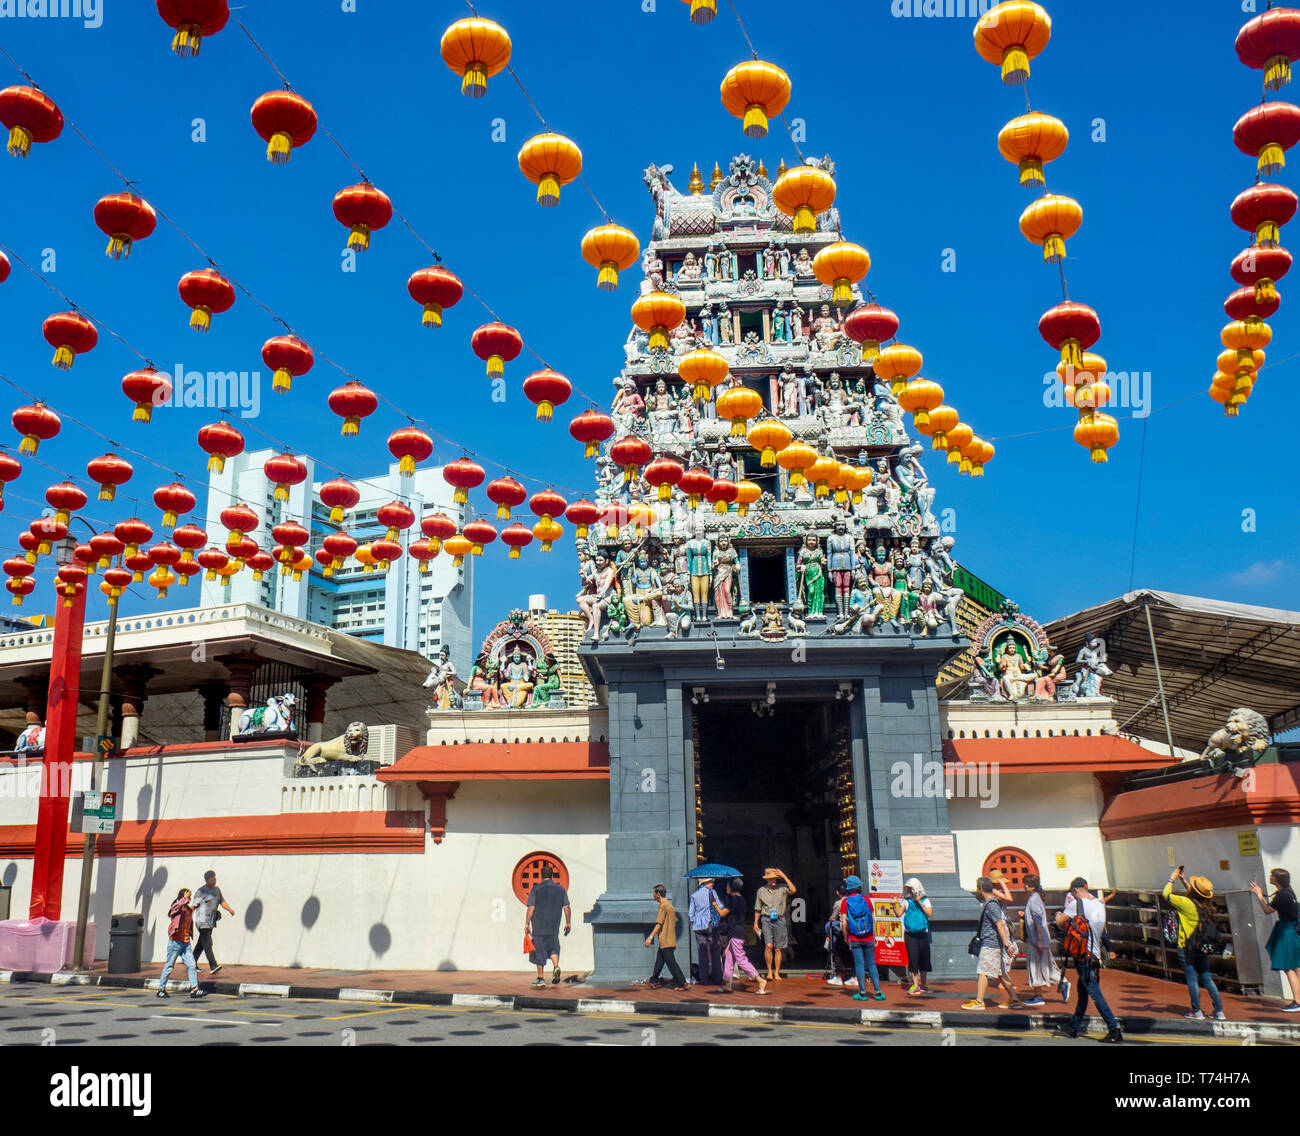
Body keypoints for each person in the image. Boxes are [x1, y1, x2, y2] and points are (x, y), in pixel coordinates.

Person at [1054, 877, 1123, 1042]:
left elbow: (1058, 922)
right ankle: (1074, 1026)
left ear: (1076, 891)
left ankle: (1114, 1029)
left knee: (1094, 993)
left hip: (1083, 955)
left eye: (1072, 892)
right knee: (1082, 989)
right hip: (1095, 955)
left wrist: (1059, 914)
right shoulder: (1099, 905)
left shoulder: (1077, 905)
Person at [1163, 868, 1226, 1020]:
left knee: (1192, 978)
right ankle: (1219, 1011)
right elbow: (1195, 896)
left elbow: (1166, 894)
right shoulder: (1209, 905)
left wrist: (1172, 879)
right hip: (1202, 946)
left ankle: (1197, 1011)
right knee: (1207, 978)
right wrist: (1184, 881)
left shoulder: (1186, 903)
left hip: (1187, 945)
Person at [962, 876, 1021, 1010]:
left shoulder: (991, 905)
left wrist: (1007, 945)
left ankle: (979, 1001)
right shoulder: (992, 903)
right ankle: (1015, 999)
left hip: (991, 944)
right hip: (995, 944)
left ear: (980, 889)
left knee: (982, 971)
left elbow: (999, 925)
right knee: (1001, 973)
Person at [1250, 868, 1300, 1010]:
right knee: (1296, 966)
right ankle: (1298, 999)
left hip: (1286, 931)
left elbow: (1267, 910)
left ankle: (1297, 1001)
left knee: (1288, 966)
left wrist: (1259, 895)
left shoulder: (1282, 895)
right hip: (1293, 931)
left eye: (1272, 876)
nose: (1270, 877)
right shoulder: (1289, 892)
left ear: (1276, 880)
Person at [715, 878, 767, 995]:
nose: (726, 888)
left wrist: (714, 903)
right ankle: (727, 984)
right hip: (736, 932)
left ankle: (760, 980)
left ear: (732, 887)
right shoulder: (741, 899)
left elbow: (722, 913)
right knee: (728, 957)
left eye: (728, 886)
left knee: (741, 959)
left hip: (736, 932)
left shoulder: (733, 900)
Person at [839, 875, 885, 1001]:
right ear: (859, 887)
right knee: (871, 964)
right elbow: (873, 919)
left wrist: (845, 936)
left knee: (859, 965)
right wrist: (874, 936)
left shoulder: (845, 902)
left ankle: (863, 992)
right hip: (869, 936)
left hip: (854, 938)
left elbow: (843, 923)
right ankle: (878, 992)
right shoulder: (866, 900)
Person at [1022, 873, 1065, 1006]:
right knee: (1045, 965)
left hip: (1036, 940)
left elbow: (1038, 921)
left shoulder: (1034, 899)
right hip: (1038, 939)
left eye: (1026, 883)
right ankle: (1061, 983)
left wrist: (1039, 940)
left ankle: (1038, 995)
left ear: (1031, 886)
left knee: (1036, 967)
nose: (1023, 886)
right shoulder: (1036, 898)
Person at [525, 865, 571, 988]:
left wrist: (527, 923)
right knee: (553, 947)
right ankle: (556, 967)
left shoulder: (536, 889)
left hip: (539, 925)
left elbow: (531, 908)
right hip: (554, 926)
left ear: (541, 875)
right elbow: (566, 907)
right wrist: (568, 922)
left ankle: (540, 978)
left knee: (539, 950)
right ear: (551, 875)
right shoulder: (560, 889)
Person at [157, 888, 207, 1000]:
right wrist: (183, 898)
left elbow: (194, 907)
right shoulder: (176, 907)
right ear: (182, 896)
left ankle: (194, 989)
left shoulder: (188, 910)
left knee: (192, 965)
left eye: (189, 896)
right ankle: (161, 989)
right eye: (187, 895)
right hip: (175, 942)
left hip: (186, 943)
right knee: (169, 966)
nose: (189, 898)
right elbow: (175, 908)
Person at [754, 867, 796, 981]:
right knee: (768, 946)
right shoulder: (761, 891)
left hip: (779, 919)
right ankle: (769, 971)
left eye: (775, 879)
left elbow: (793, 890)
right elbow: (757, 908)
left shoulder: (782, 888)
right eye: (771, 879)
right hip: (766, 919)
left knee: (778, 948)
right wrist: (755, 923)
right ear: (767, 879)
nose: (774, 880)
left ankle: (776, 972)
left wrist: (783, 876)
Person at [643, 885, 687, 990]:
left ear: (658, 894)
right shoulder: (670, 906)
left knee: (671, 963)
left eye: (654, 893)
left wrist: (650, 937)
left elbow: (659, 924)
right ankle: (653, 980)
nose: (653, 895)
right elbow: (673, 922)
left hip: (665, 940)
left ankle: (682, 983)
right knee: (659, 961)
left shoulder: (663, 906)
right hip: (669, 940)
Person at [192, 870, 234, 975]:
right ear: (206, 881)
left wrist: (229, 909)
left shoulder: (217, 890)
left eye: (214, 879)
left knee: (201, 944)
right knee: (208, 943)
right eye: (211, 879)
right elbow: (193, 906)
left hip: (211, 921)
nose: (214, 881)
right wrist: (186, 916)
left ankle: (191, 963)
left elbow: (222, 901)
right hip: (202, 921)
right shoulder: (201, 891)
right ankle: (213, 965)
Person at [688, 875, 723, 987]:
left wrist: (695, 921)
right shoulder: (712, 892)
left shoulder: (694, 895)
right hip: (711, 924)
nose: (712, 883)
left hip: (699, 926)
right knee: (715, 952)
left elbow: (690, 914)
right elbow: (720, 906)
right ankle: (717, 978)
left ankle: (704, 979)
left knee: (702, 953)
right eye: (710, 881)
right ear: (704, 883)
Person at [902, 877, 933, 996]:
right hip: (910, 934)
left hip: (922, 933)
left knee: (924, 958)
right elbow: (899, 913)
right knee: (913, 958)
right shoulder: (906, 901)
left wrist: (919, 902)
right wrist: (894, 905)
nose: (910, 891)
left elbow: (930, 913)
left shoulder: (925, 900)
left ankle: (924, 984)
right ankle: (915, 984)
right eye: (909, 889)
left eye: (911, 889)